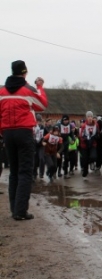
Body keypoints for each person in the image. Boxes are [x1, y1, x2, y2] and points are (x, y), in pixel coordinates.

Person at [0, 61, 48, 220]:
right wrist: (39, 86)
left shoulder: (2, 91)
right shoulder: (27, 89)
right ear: (25, 72)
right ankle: (20, 211)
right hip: (24, 132)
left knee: (14, 171)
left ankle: (14, 208)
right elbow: (42, 104)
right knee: (25, 171)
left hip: (7, 133)